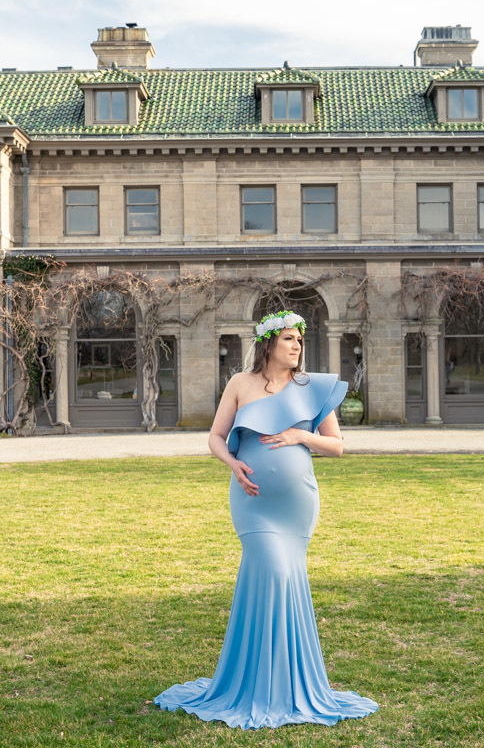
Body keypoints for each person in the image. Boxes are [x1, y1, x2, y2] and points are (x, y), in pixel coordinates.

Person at [153, 310, 380, 729]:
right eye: (290, 339)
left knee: (287, 579)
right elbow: (216, 437)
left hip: (297, 506)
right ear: (268, 343)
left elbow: (336, 446)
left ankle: (287, 684)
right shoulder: (240, 384)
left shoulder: (312, 387)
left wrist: (299, 435)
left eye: (300, 340)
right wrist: (234, 465)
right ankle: (257, 683)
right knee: (272, 574)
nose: (297, 346)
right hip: (252, 501)